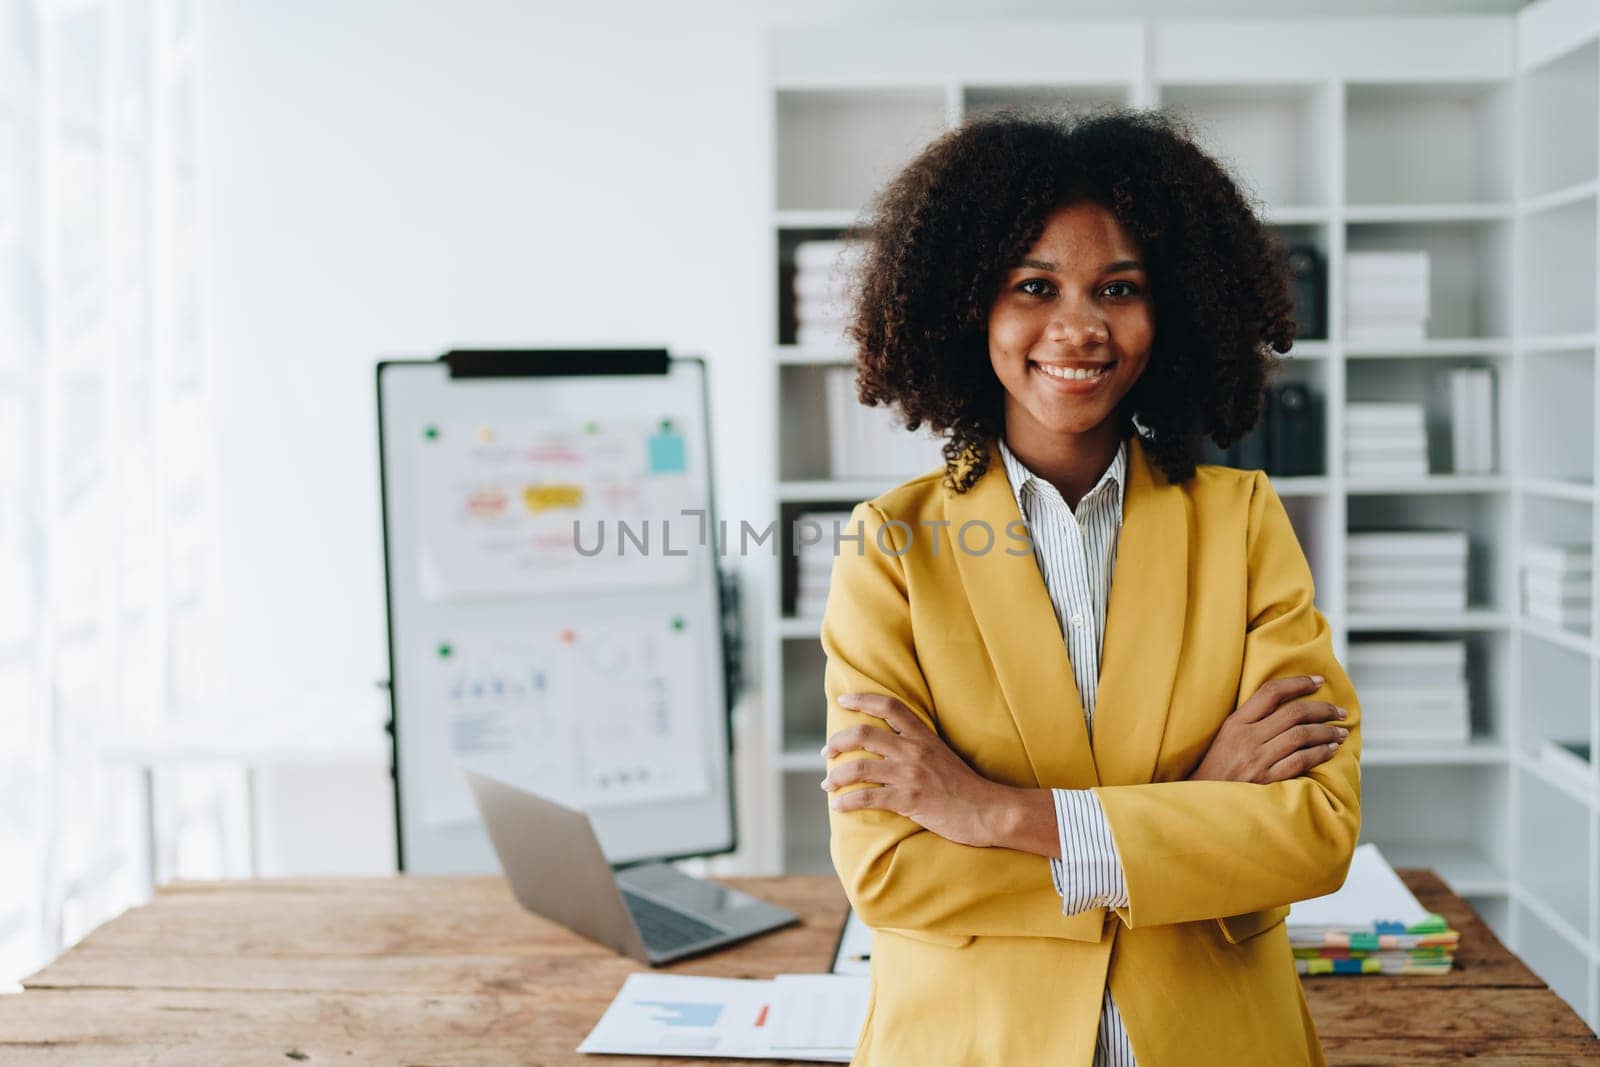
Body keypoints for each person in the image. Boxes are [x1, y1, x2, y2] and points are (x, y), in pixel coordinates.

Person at [817, 108, 1362, 1066]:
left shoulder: (1242, 522)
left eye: (1120, 288)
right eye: (1034, 286)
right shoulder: (891, 547)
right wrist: (1192, 818)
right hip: (971, 1041)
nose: (1079, 327)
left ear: (1175, 309)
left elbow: (1312, 833)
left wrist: (995, 814)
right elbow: (890, 869)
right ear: (968, 306)